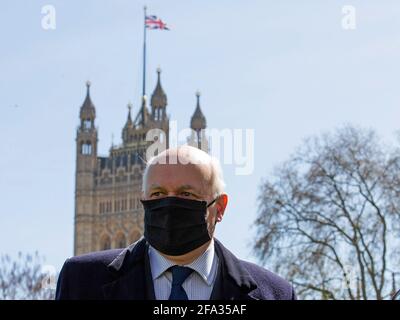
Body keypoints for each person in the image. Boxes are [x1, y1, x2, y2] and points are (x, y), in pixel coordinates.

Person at [56, 146, 296, 300]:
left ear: (219, 208)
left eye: (186, 194)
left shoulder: (275, 295)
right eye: (158, 194)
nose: (170, 206)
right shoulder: (81, 281)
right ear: (143, 200)